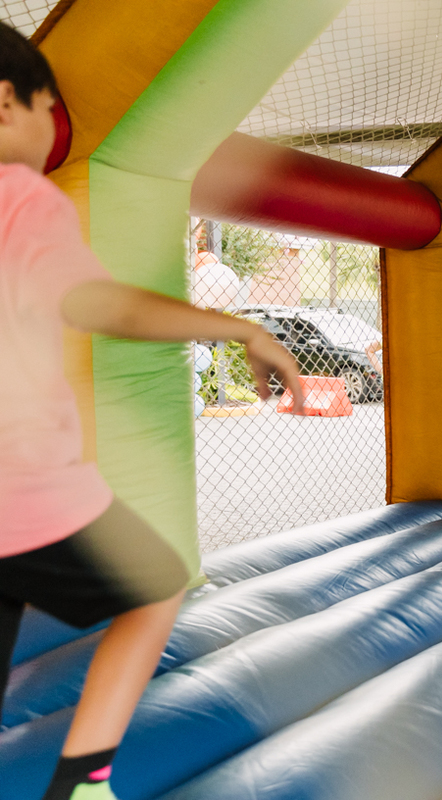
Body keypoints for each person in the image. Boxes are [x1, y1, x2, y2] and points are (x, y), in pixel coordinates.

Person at [0, 24, 306, 800]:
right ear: (9, 104)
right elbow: (97, 300)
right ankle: (83, 780)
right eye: (50, 110)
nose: (51, 132)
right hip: (21, 494)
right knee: (157, 585)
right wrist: (240, 326)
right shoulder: (20, 199)